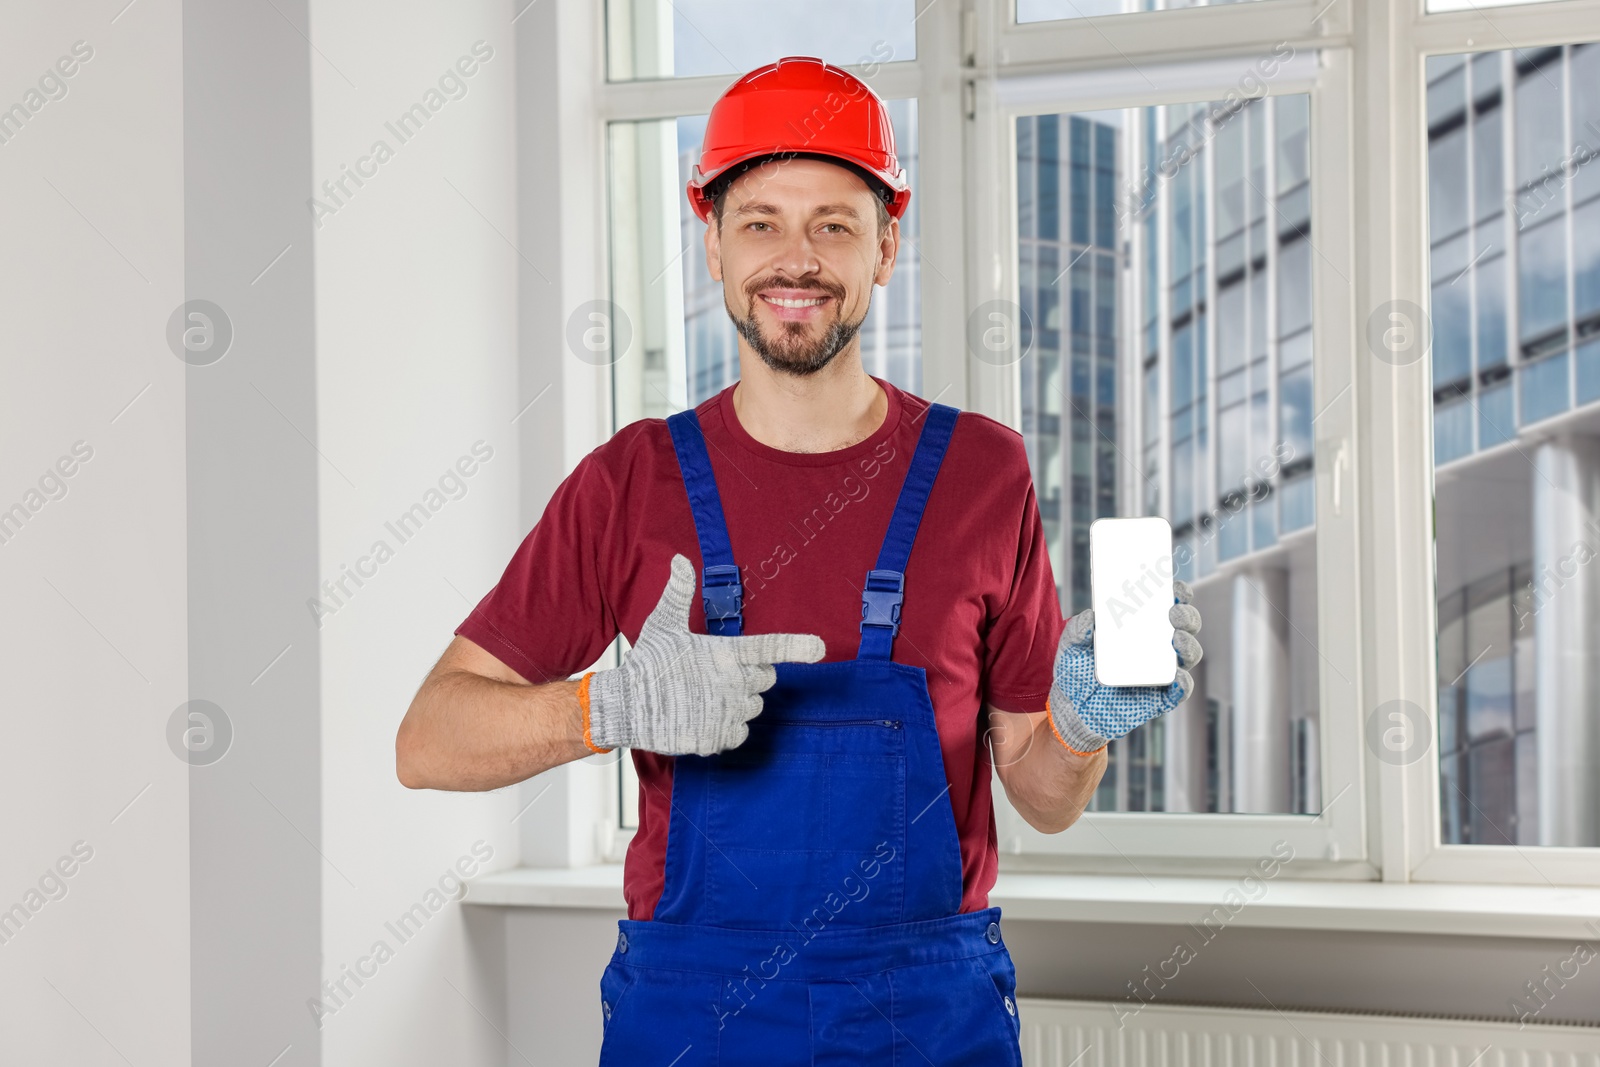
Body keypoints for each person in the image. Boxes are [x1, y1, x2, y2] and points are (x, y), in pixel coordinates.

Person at [395, 55, 1202, 1066]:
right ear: (711, 247)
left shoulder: (982, 471)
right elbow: (426, 739)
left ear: (886, 247)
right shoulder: (630, 479)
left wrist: (1079, 727)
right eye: (761, 221)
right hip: (696, 1016)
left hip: (926, 1015)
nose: (796, 258)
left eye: (833, 223)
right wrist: (604, 707)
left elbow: (1041, 794)